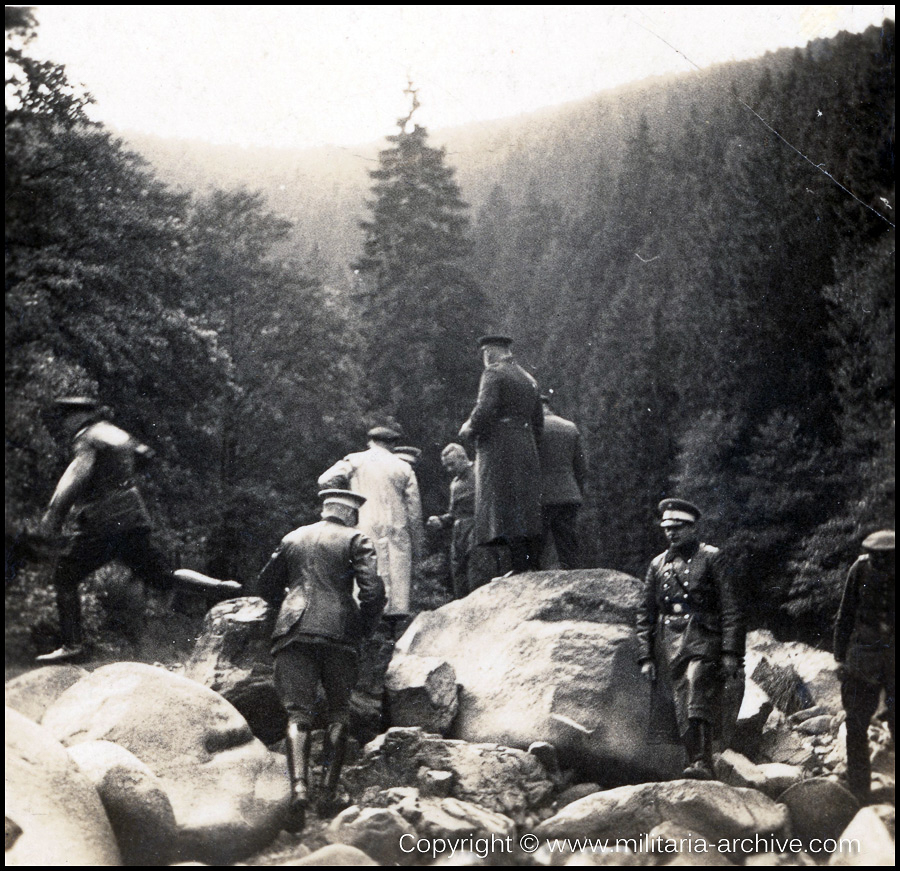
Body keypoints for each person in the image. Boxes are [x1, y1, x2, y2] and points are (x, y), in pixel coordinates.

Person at [37, 397, 240, 662]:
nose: (64, 423)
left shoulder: (86, 438)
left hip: (103, 523)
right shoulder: (114, 432)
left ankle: (73, 645)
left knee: (65, 576)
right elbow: (145, 455)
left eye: (66, 417)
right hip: (132, 518)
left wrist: (54, 516)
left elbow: (74, 481)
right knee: (161, 575)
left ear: (76, 417)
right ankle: (220, 586)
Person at [251, 489, 386, 831]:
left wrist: (290, 601)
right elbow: (372, 591)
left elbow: (265, 585)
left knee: (298, 712)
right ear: (349, 513)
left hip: (293, 630)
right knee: (339, 710)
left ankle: (298, 790)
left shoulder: (293, 537)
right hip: (340, 632)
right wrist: (366, 625)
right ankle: (328, 792)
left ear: (326, 509)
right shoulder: (356, 538)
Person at [636, 498, 743, 780]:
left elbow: (731, 607)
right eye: (668, 528)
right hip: (668, 640)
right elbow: (645, 613)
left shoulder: (712, 557)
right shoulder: (658, 565)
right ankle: (691, 762)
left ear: (693, 528)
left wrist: (731, 652)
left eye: (680, 527)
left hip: (703, 635)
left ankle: (702, 761)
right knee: (679, 700)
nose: (672, 533)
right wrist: (646, 655)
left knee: (697, 684)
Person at [458, 335, 543, 574]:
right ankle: (531, 563)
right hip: (525, 446)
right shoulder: (529, 378)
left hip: (499, 446)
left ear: (490, 353)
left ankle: (517, 565)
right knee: (525, 505)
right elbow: (538, 423)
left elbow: (485, 408)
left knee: (502, 502)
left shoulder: (493, 373)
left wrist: (470, 427)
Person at [318, 427, 423, 619]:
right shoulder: (403, 467)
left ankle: (366, 630)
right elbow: (414, 513)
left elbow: (325, 480)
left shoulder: (355, 460)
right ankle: (392, 632)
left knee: (367, 577)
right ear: (392, 444)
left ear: (370, 442)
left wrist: (344, 498)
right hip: (396, 530)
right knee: (397, 590)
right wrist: (417, 545)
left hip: (363, 525)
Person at [833, 529, 895, 802]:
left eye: (885, 557)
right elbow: (845, 614)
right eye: (874, 556)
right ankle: (859, 793)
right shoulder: (859, 569)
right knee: (856, 725)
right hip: (862, 658)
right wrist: (839, 657)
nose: (878, 561)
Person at [427, 443, 483, 598]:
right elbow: (454, 514)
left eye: (452, 464)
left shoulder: (480, 472)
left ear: (463, 457)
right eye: (446, 466)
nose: (449, 470)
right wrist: (441, 521)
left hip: (478, 531)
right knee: (459, 581)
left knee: (477, 579)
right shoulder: (455, 483)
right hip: (459, 534)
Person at [538, 394, 587, 569]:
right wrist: (577, 491)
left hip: (541, 496)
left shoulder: (532, 429)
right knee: (568, 545)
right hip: (568, 494)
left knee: (537, 548)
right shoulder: (570, 427)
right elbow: (581, 467)